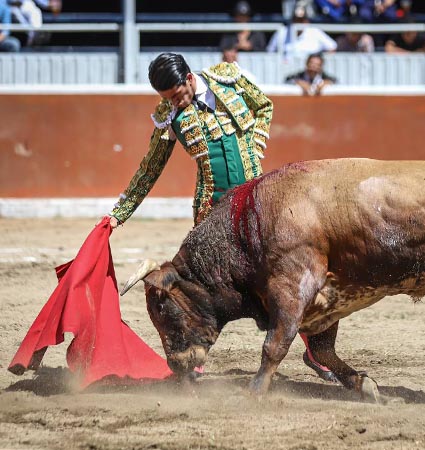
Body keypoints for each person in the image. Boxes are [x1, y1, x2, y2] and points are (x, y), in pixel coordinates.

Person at [104, 52, 337, 383]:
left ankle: (316, 351)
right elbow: (150, 168)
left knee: (289, 277)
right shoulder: (168, 116)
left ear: (187, 79)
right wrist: (119, 214)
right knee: (202, 289)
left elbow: (264, 106)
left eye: (175, 96)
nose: (174, 104)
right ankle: (194, 359)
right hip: (213, 210)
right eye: (166, 100)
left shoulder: (226, 80)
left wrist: (254, 147)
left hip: (260, 204)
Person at [266, 5, 337, 58]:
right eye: (296, 20)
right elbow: (270, 51)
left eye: (301, 20)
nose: (298, 23)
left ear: (307, 21)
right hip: (286, 70)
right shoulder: (282, 32)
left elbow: (332, 47)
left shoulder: (315, 31)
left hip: (310, 73)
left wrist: (317, 62)